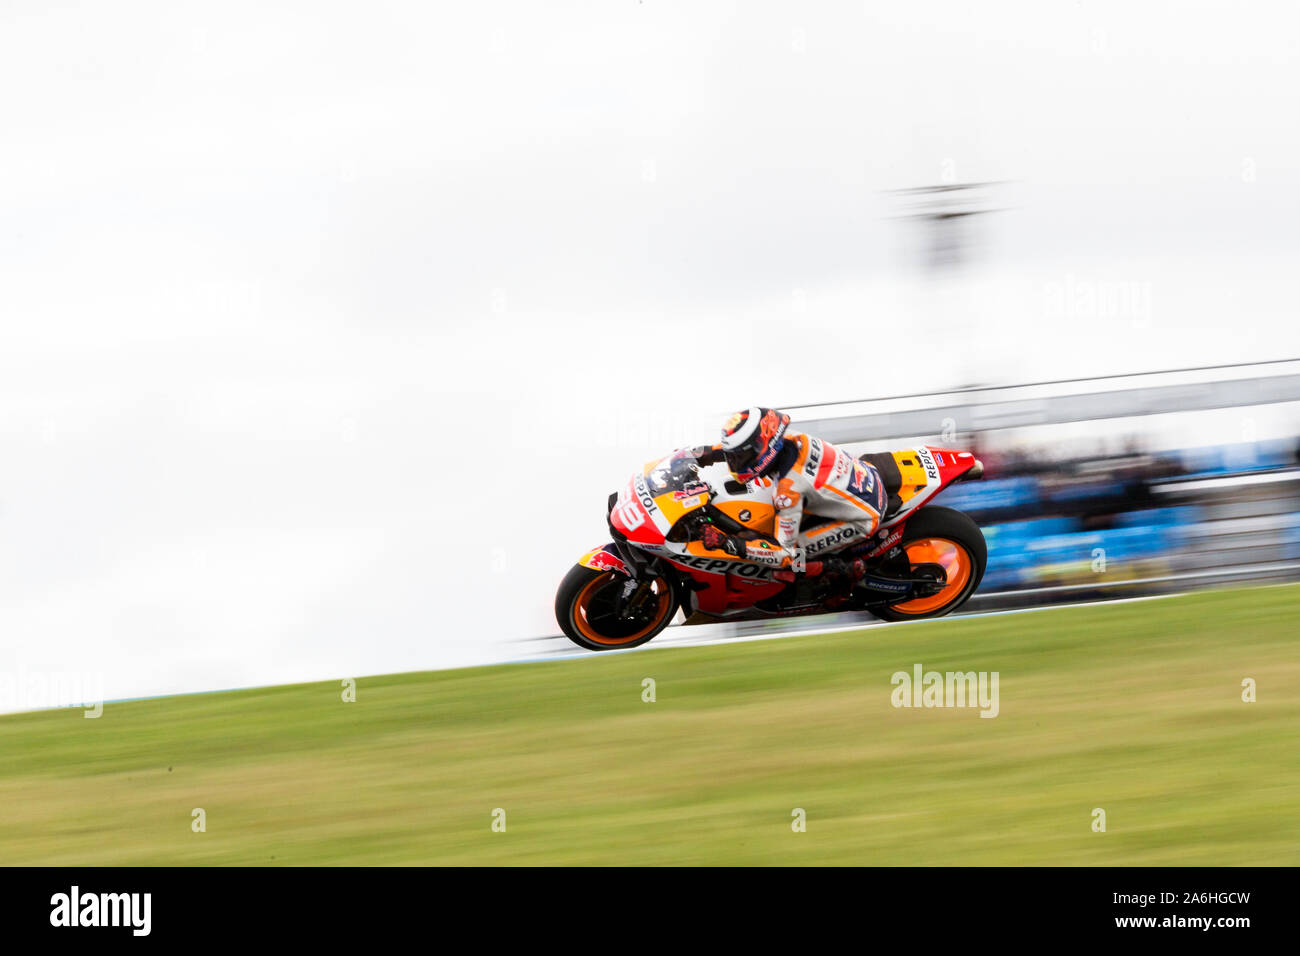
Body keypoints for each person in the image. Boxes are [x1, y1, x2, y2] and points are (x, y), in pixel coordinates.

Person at [690, 407, 888, 581]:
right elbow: (743, 447)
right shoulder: (787, 438)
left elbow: (784, 553)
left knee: (788, 560)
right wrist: (704, 453)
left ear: (763, 447)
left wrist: (728, 543)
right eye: (733, 456)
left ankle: (841, 570)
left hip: (862, 517)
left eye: (739, 456)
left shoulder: (788, 490)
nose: (734, 462)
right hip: (860, 479)